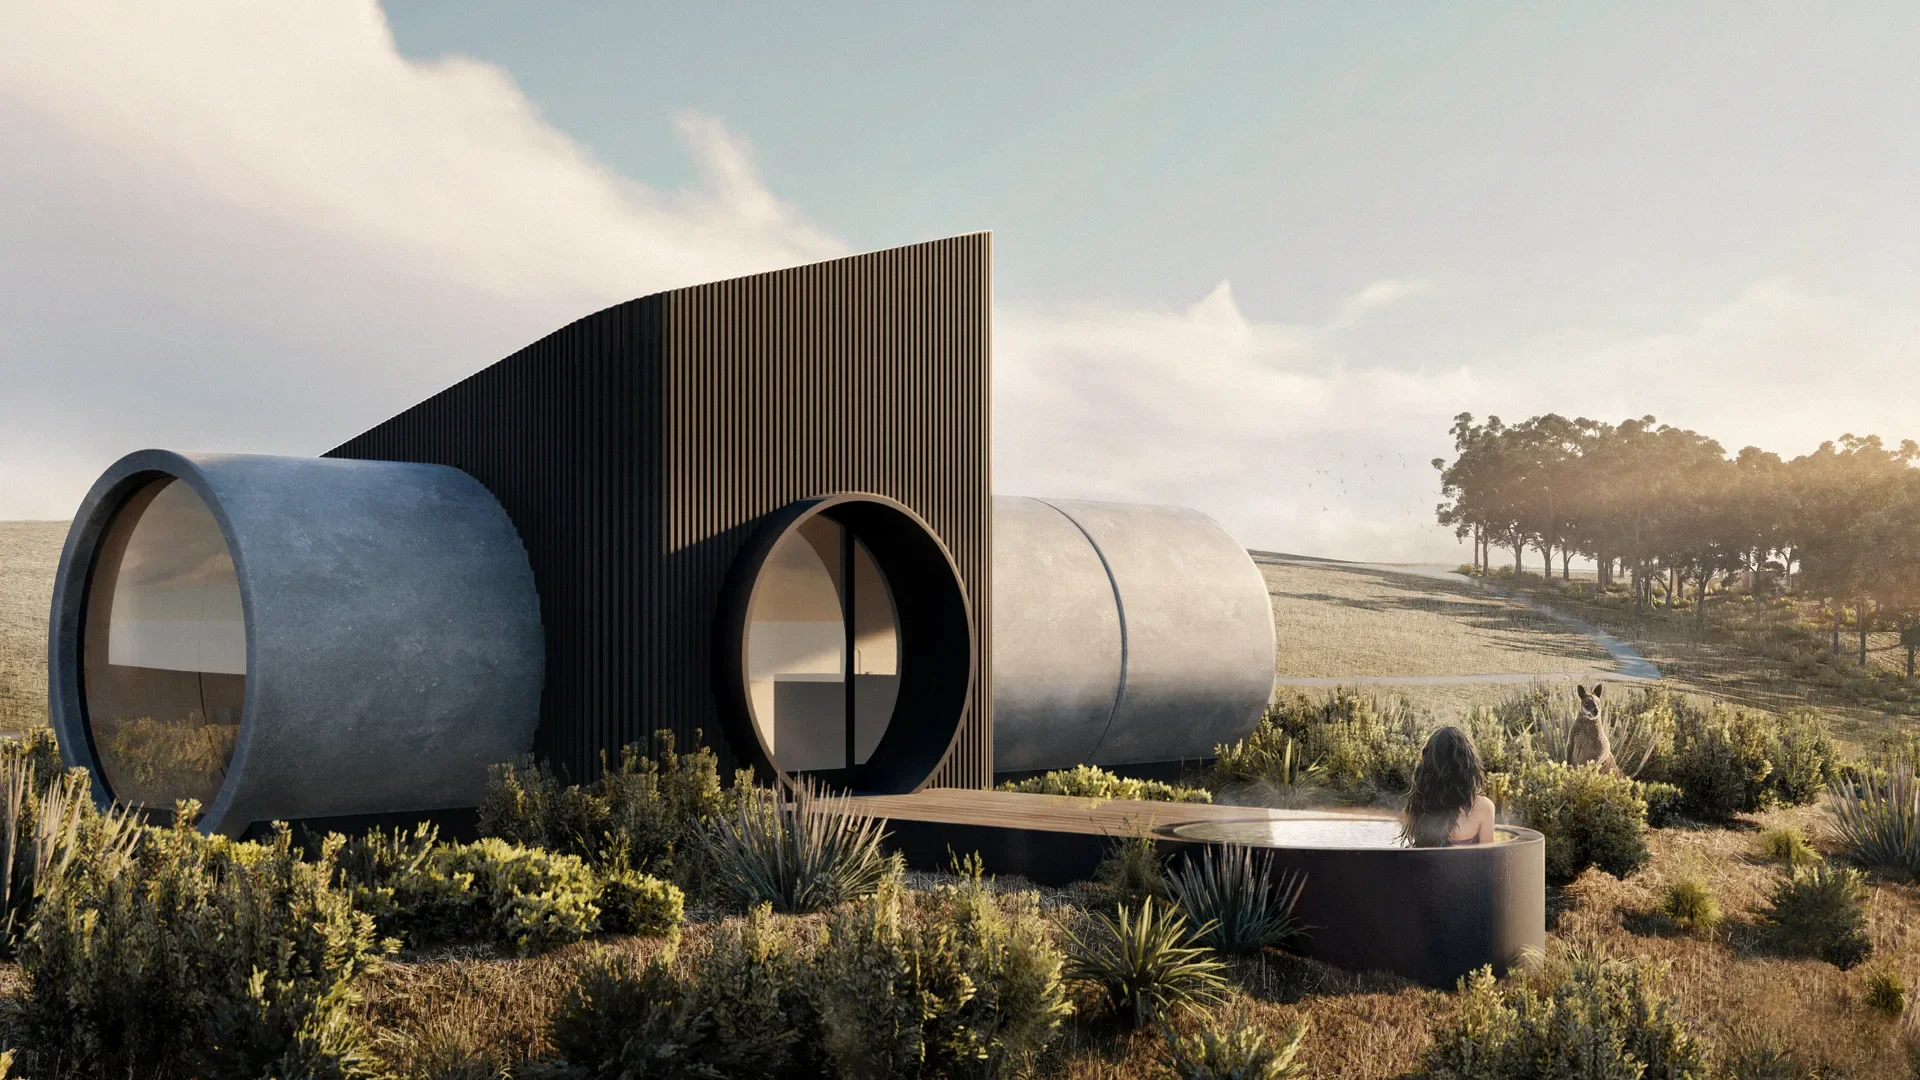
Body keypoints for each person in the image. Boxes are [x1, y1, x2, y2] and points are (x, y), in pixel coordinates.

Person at [1402, 725, 1496, 847]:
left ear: (1428, 767)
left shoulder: (1419, 806)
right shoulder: (1484, 807)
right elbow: (1488, 860)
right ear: (1467, 765)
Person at [1569, 683, 1621, 776]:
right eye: (1587, 705)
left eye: (1597, 704)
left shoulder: (1596, 727)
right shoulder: (1577, 725)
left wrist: (1591, 768)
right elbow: (1570, 746)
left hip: (1598, 773)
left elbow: (1604, 748)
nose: (1595, 708)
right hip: (1577, 771)